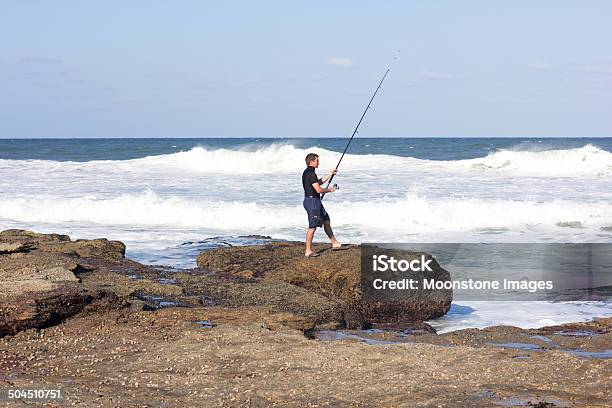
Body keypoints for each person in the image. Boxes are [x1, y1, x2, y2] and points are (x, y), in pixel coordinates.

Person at [302, 153, 340, 257]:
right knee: (312, 227)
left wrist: (330, 174)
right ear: (311, 162)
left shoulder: (309, 172)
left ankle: (335, 243)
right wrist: (330, 190)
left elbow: (318, 183)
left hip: (315, 201)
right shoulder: (310, 173)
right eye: (317, 160)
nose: (318, 162)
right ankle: (308, 251)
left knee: (326, 220)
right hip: (312, 202)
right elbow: (318, 189)